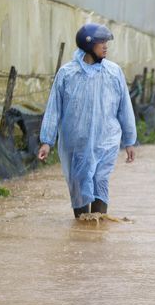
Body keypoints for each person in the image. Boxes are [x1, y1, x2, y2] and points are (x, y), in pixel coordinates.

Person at [38, 23, 137, 218]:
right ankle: (82, 231)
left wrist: (129, 141)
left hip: (106, 140)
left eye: (106, 42)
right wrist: (46, 141)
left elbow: (125, 107)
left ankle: (97, 234)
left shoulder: (114, 72)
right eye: (102, 42)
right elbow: (54, 108)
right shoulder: (67, 73)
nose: (106, 46)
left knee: (101, 179)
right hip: (77, 143)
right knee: (79, 183)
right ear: (88, 44)